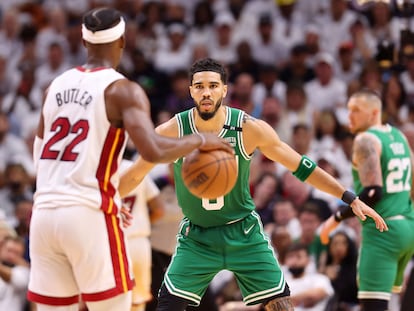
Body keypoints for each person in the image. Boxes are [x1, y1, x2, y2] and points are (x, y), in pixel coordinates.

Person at [119, 58, 387, 311]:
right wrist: (106, 200)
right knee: (167, 306)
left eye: (213, 86)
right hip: (197, 237)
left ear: (224, 89)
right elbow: (135, 173)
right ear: (191, 91)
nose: (207, 93)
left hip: (243, 232)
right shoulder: (173, 130)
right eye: (200, 87)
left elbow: (302, 167)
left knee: (282, 306)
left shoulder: (248, 128)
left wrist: (349, 197)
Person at [27, 8, 232, 311]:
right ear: (122, 40)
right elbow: (153, 151)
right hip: (87, 213)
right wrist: (201, 139)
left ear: (84, 42)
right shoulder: (122, 89)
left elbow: (39, 157)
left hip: (43, 215)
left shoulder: (53, 87)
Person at [320, 90, 414, 311]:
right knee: (397, 303)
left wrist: (336, 218)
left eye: (356, 111)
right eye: (348, 109)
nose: (349, 116)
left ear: (373, 113)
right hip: (407, 227)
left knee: (373, 306)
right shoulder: (398, 135)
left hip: (383, 231)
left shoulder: (365, 139)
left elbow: (373, 193)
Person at [121, 158, 165, 311]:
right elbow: (159, 210)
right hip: (139, 242)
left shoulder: (98, 170)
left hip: (110, 243)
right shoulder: (134, 169)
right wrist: (143, 222)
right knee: (138, 303)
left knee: (110, 302)